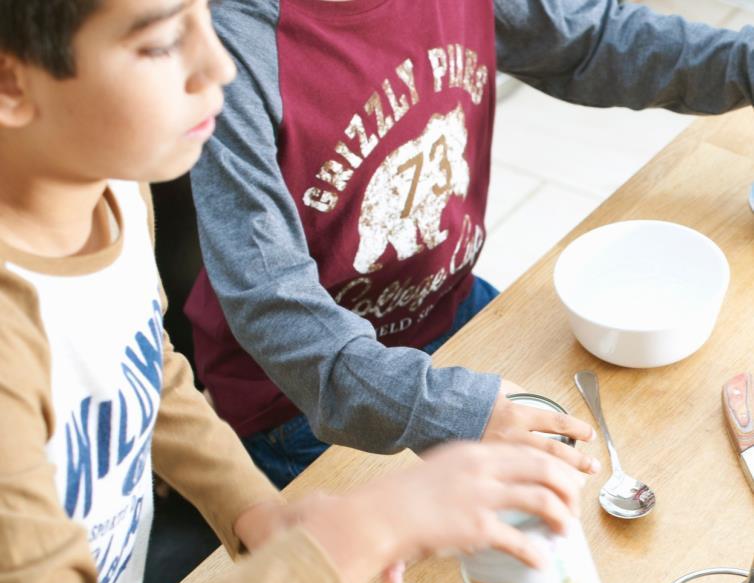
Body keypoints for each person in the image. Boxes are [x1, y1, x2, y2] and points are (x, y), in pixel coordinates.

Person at [0, 0, 593, 583]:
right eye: (163, 40)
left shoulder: (100, 187)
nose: (221, 67)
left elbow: (145, 365)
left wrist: (251, 509)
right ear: (10, 81)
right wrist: (369, 526)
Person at [188, 0, 754, 489]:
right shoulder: (230, 47)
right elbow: (271, 306)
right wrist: (444, 411)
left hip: (452, 305)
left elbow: (590, 42)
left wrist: (742, 63)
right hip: (302, 402)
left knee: (661, 436)